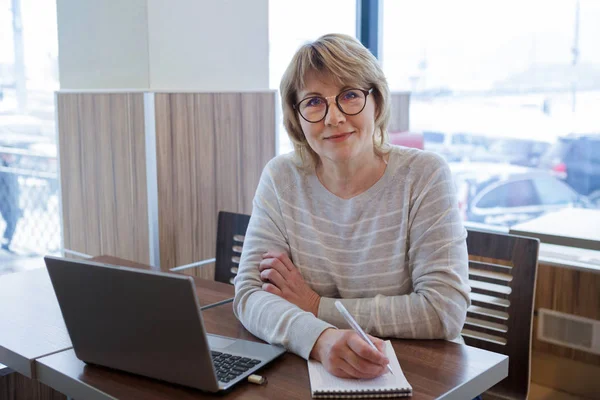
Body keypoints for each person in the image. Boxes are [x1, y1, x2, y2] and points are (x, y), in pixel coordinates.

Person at [233, 33, 470, 380]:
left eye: (350, 95)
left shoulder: (424, 176)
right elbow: (250, 295)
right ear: (296, 117)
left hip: (423, 375)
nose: (334, 117)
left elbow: (444, 310)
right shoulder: (281, 177)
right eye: (314, 101)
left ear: (377, 102)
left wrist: (317, 307)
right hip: (316, 371)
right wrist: (319, 339)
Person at [0, 152, 22, 252]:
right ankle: (6, 242)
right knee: (11, 220)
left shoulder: (10, 167)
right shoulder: (3, 169)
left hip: (10, 200)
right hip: (5, 200)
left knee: (12, 221)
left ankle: (6, 242)